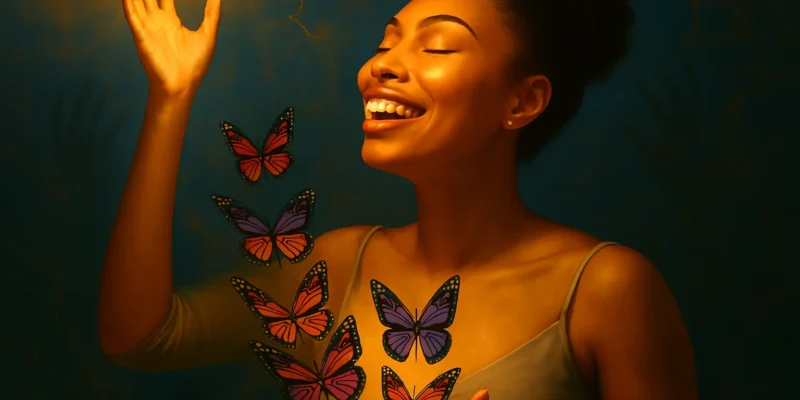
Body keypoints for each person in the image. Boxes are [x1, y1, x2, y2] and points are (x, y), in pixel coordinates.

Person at [100, 0, 698, 399]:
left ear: (523, 102)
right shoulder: (337, 267)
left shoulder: (607, 290)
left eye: (436, 46)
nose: (382, 65)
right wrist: (171, 98)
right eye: (388, 41)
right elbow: (143, 337)